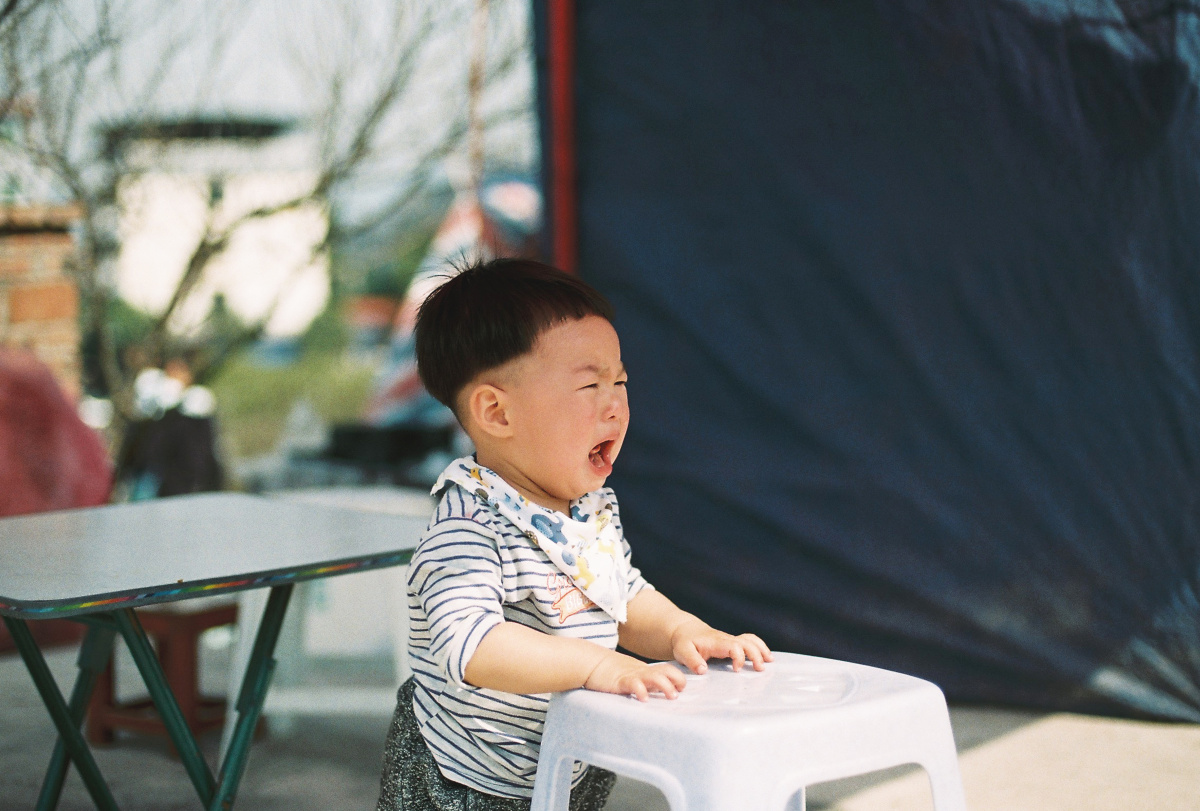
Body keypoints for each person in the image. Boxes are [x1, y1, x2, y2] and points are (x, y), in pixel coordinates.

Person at [377, 258, 773, 811]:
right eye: (590, 385)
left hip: (567, 758)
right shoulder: (469, 526)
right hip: (465, 779)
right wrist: (595, 665)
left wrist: (682, 630)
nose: (616, 404)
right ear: (497, 413)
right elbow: (473, 645)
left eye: (621, 381)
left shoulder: (587, 509)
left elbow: (621, 595)